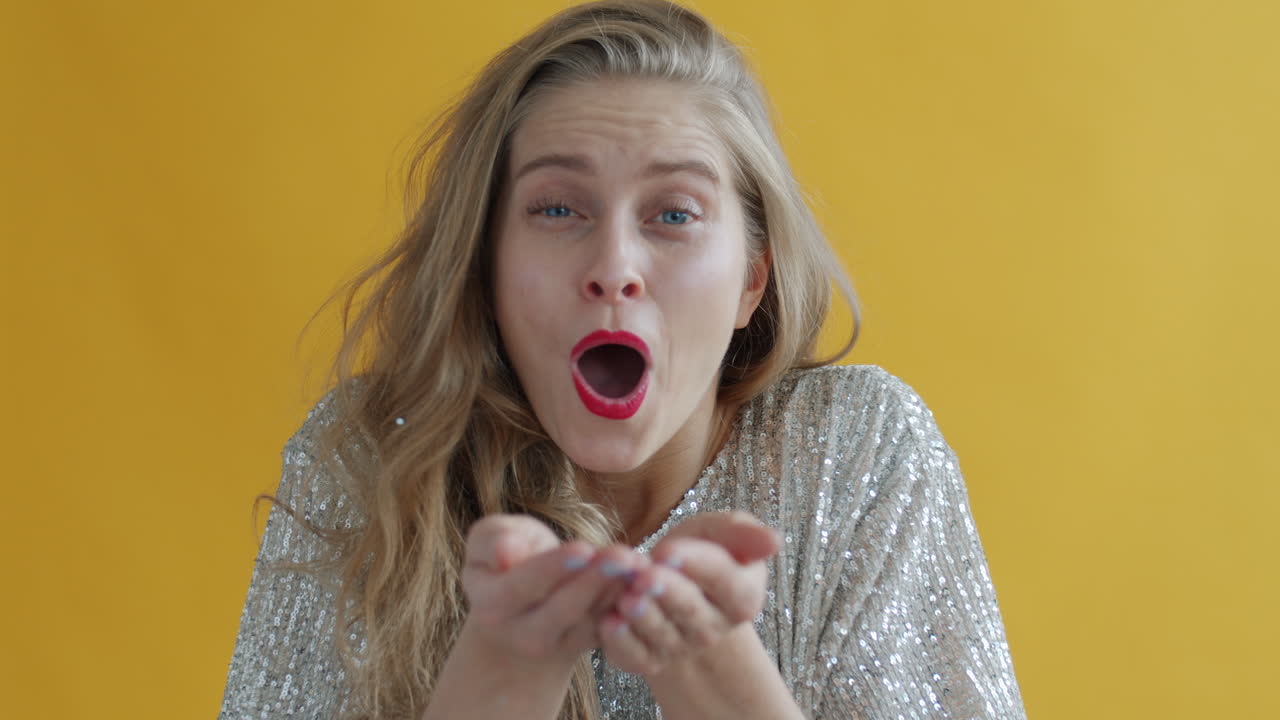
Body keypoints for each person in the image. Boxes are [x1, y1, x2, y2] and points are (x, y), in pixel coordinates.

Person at [219, 1, 1027, 718]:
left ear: (752, 280)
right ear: (487, 268)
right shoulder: (374, 460)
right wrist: (504, 669)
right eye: (558, 208)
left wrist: (718, 679)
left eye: (674, 213)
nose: (613, 265)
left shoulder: (857, 449)